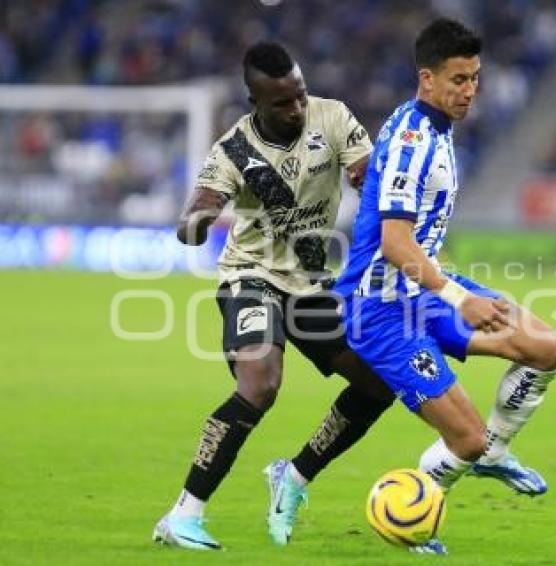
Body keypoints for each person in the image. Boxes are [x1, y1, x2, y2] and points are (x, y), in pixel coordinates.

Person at [334, 18, 556, 554]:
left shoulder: (429, 124)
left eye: (475, 79)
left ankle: (495, 454)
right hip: (381, 309)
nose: (469, 91)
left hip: (420, 287)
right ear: (427, 79)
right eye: (458, 80)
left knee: (547, 348)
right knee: (464, 437)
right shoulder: (416, 139)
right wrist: (462, 299)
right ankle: (410, 518)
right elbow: (395, 244)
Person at [152, 41, 396, 551]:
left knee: (379, 383)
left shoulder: (331, 118)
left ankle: (295, 474)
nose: (297, 109)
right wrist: (197, 218)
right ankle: (183, 514)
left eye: (300, 95)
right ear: (255, 101)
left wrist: (365, 178)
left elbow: (367, 172)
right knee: (261, 383)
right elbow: (195, 213)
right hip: (251, 276)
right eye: (283, 102)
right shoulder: (232, 151)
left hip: (310, 285)